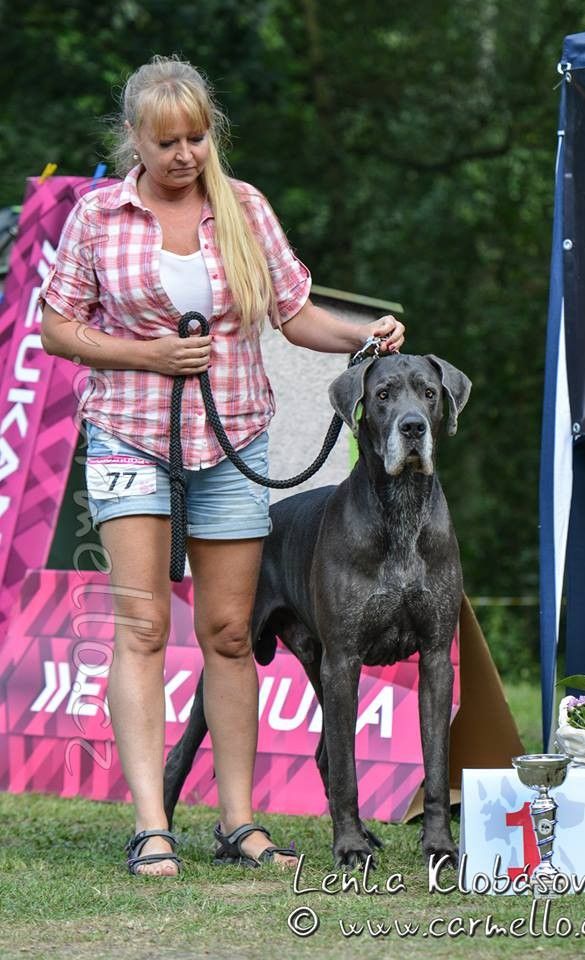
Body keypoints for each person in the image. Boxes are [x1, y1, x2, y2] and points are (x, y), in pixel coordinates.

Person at [40, 55, 405, 877]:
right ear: (134, 138)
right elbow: (57, 328)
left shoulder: (244, 209)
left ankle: (238, 823)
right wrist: (147, 354)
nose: (184, 154)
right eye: (166, 141)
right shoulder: (98, 215)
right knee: (142, 628)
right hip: (129, 437)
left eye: (197, 138)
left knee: (231, 633)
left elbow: (294, 312)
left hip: (232, 442)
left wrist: (364, 336)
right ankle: (151, 825)